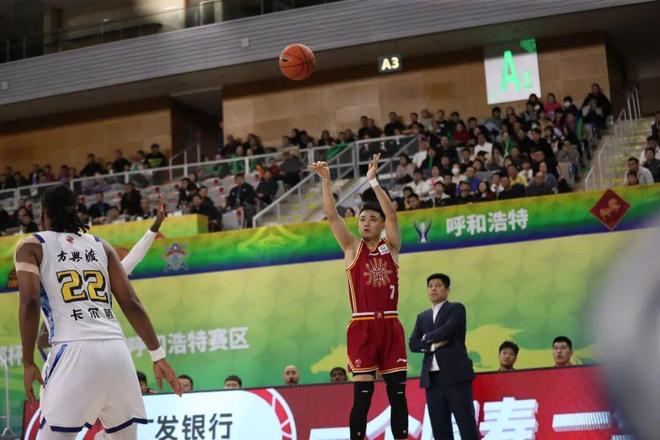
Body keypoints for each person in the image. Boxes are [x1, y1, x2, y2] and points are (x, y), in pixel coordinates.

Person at [15, 185, 182, 439]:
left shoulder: (32, 246)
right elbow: (131, 302)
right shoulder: (101, 246)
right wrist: (157, 355)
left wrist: (28, 362)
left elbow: (29, 302)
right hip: (117, 352)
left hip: (73, 351)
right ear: (76, 211)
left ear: (43, 214)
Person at [309, 154, 409, 440]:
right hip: (363, 327)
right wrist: (326, 181)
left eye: (372, 219)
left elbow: (393, 216)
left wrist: (373, 182)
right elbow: (332, 216)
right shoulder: (352, 248)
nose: (365, 223)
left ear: (381, 225)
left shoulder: (391, 248)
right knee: (362, 397)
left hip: (390, 326)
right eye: (362, 219)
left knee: (397, 395)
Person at [409, 273, 479, 440]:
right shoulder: (423, 317)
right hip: (432, 380)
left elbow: (448, 330)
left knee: (466, 423)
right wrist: (433, 345)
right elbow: (413, 344)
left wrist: (426, 337)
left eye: (438, 286)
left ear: (447, 290)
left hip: (456, 376)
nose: (433, 289)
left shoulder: (456, 309)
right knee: (440, 428)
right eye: (430, 286)